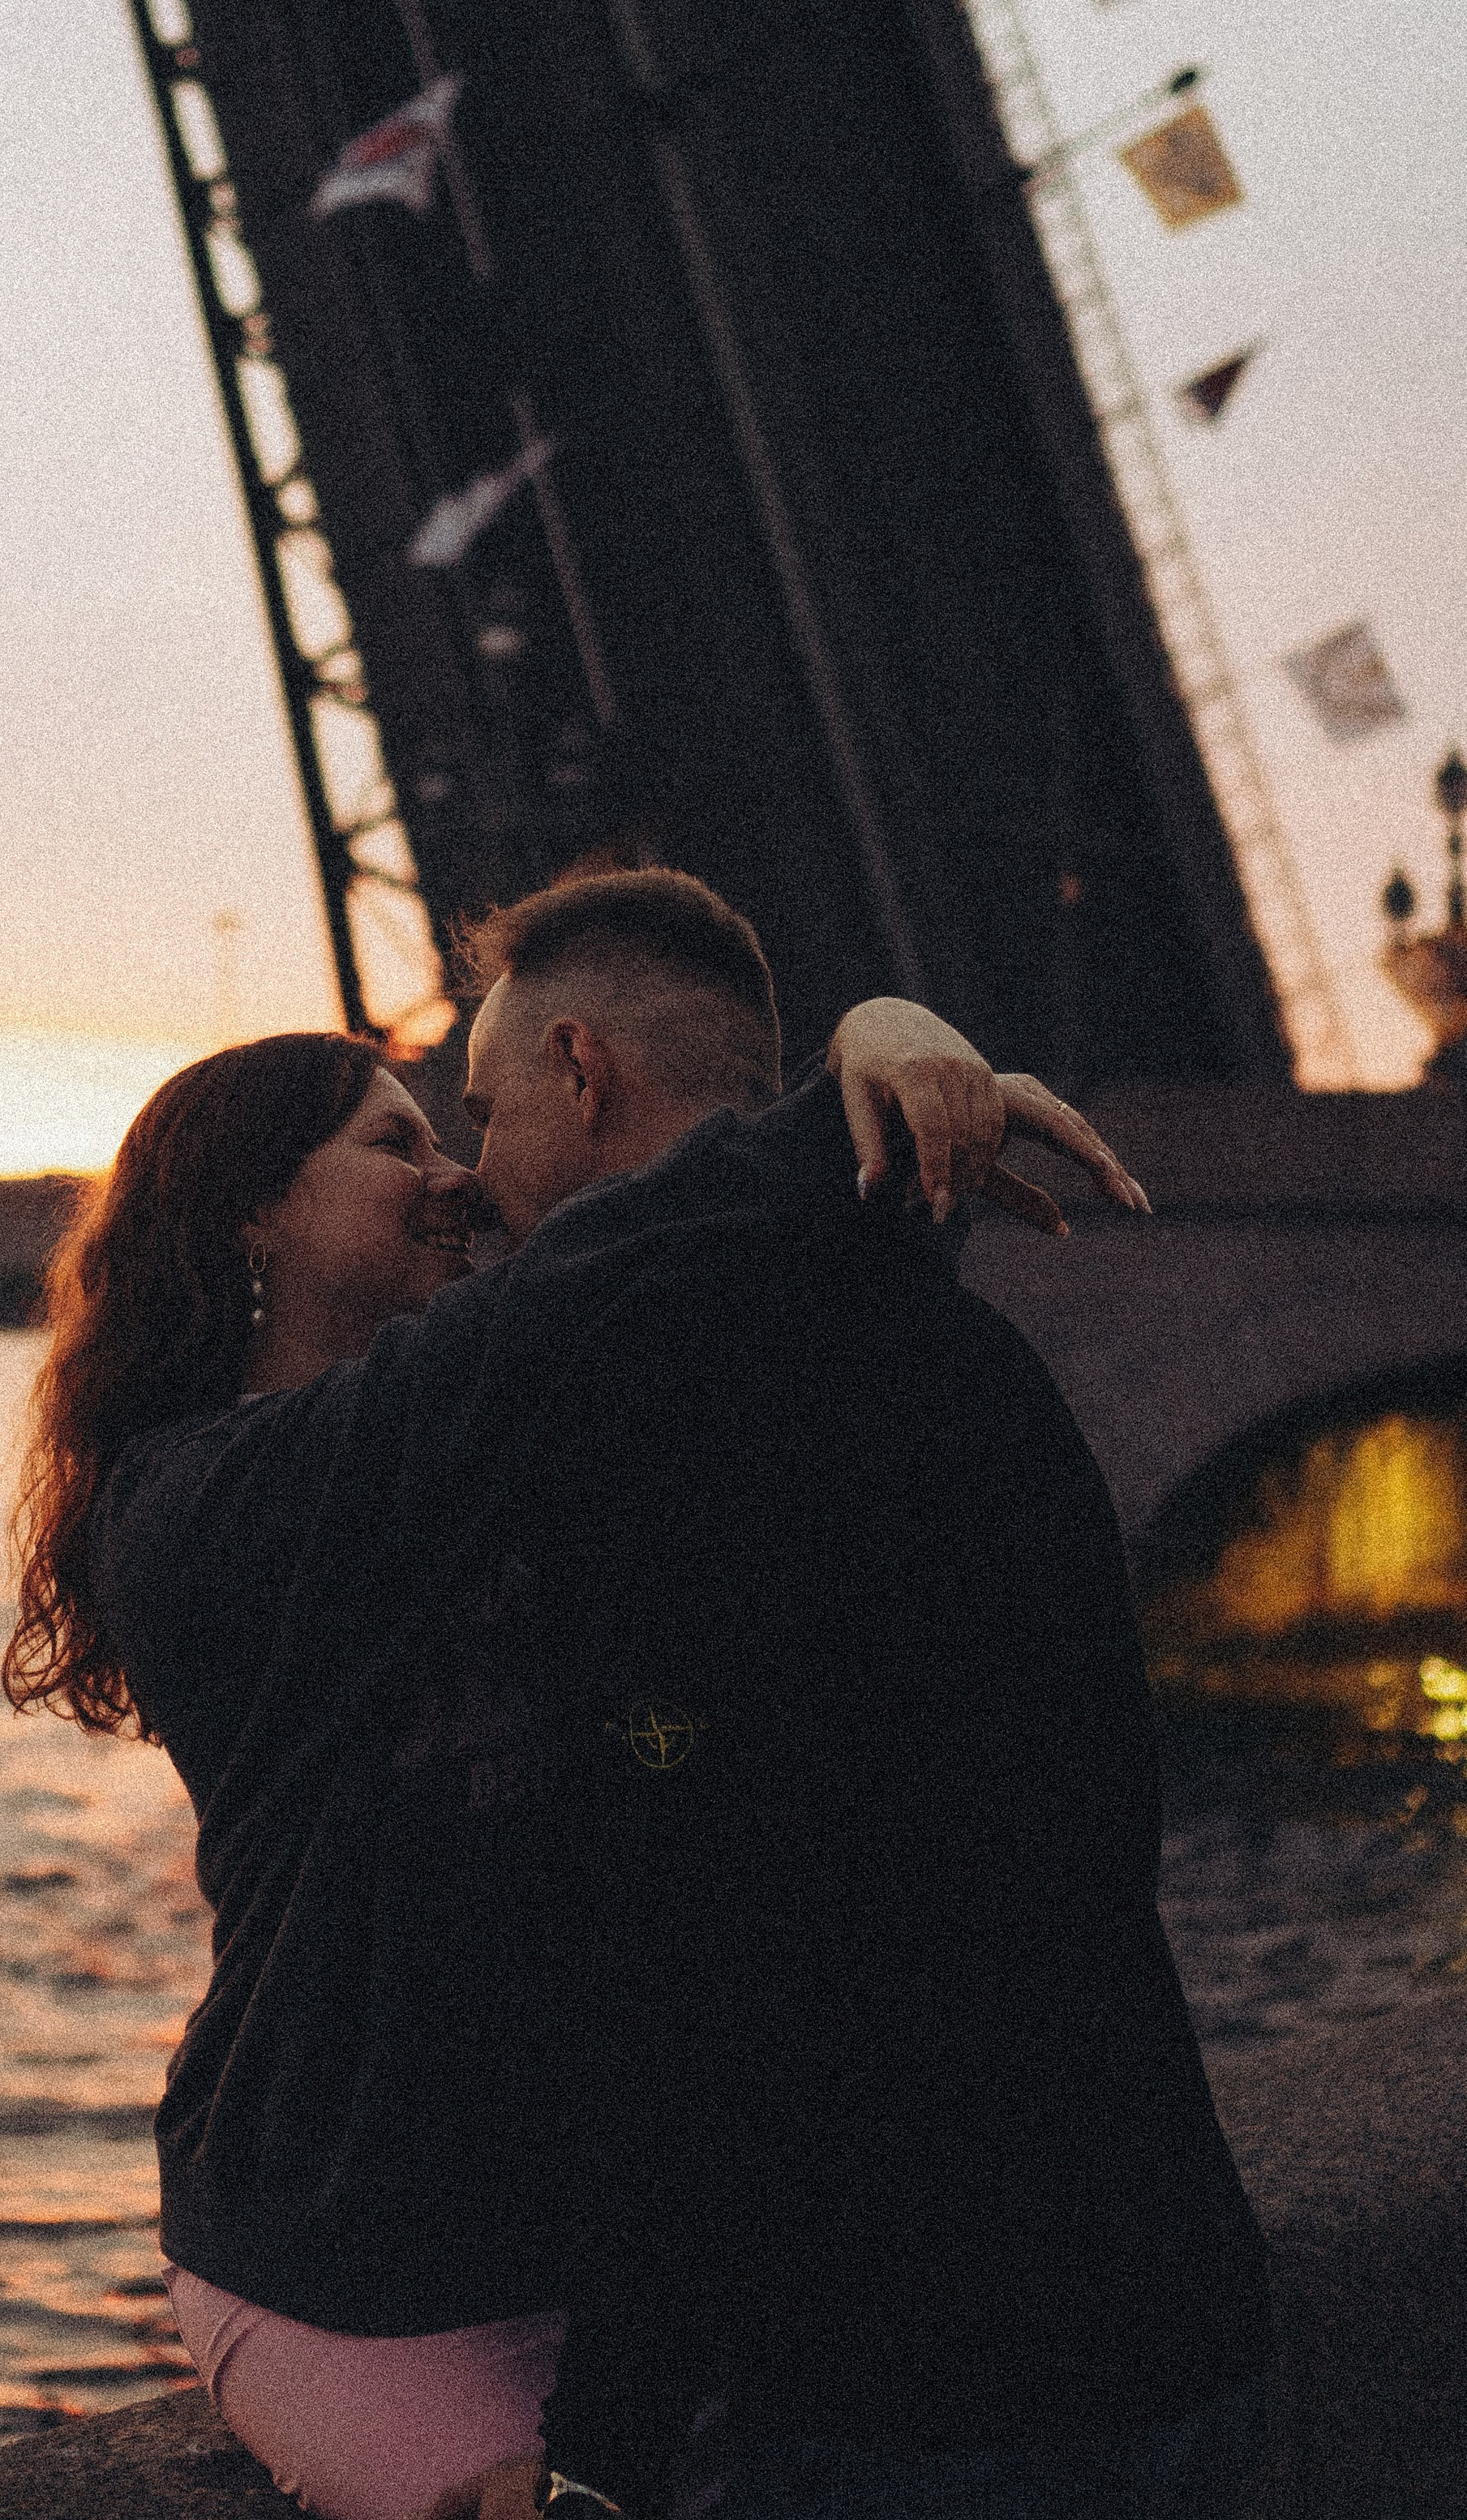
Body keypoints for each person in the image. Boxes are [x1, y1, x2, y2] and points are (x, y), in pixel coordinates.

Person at [6, 873, 1174, 2520]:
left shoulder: (503, 1413)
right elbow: (583, 1289)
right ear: (247, 1215)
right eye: (394, 1142)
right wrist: (834, 1078)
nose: (458, 1174)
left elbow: (720, 1326)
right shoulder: (205, 1506)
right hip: (352, 2251)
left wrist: (891, 1075)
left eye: (456, 1126)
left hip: (591, 2225)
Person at [429, 882, 1274, 2520]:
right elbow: (1105, 1817)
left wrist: (604, 2441)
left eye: (483, 1106)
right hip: (1176, 2309)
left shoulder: (639, 1389)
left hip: (917, 2397)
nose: (468, 1169)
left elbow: (685, 1943)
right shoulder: (962, 1349)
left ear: (581, 1068)